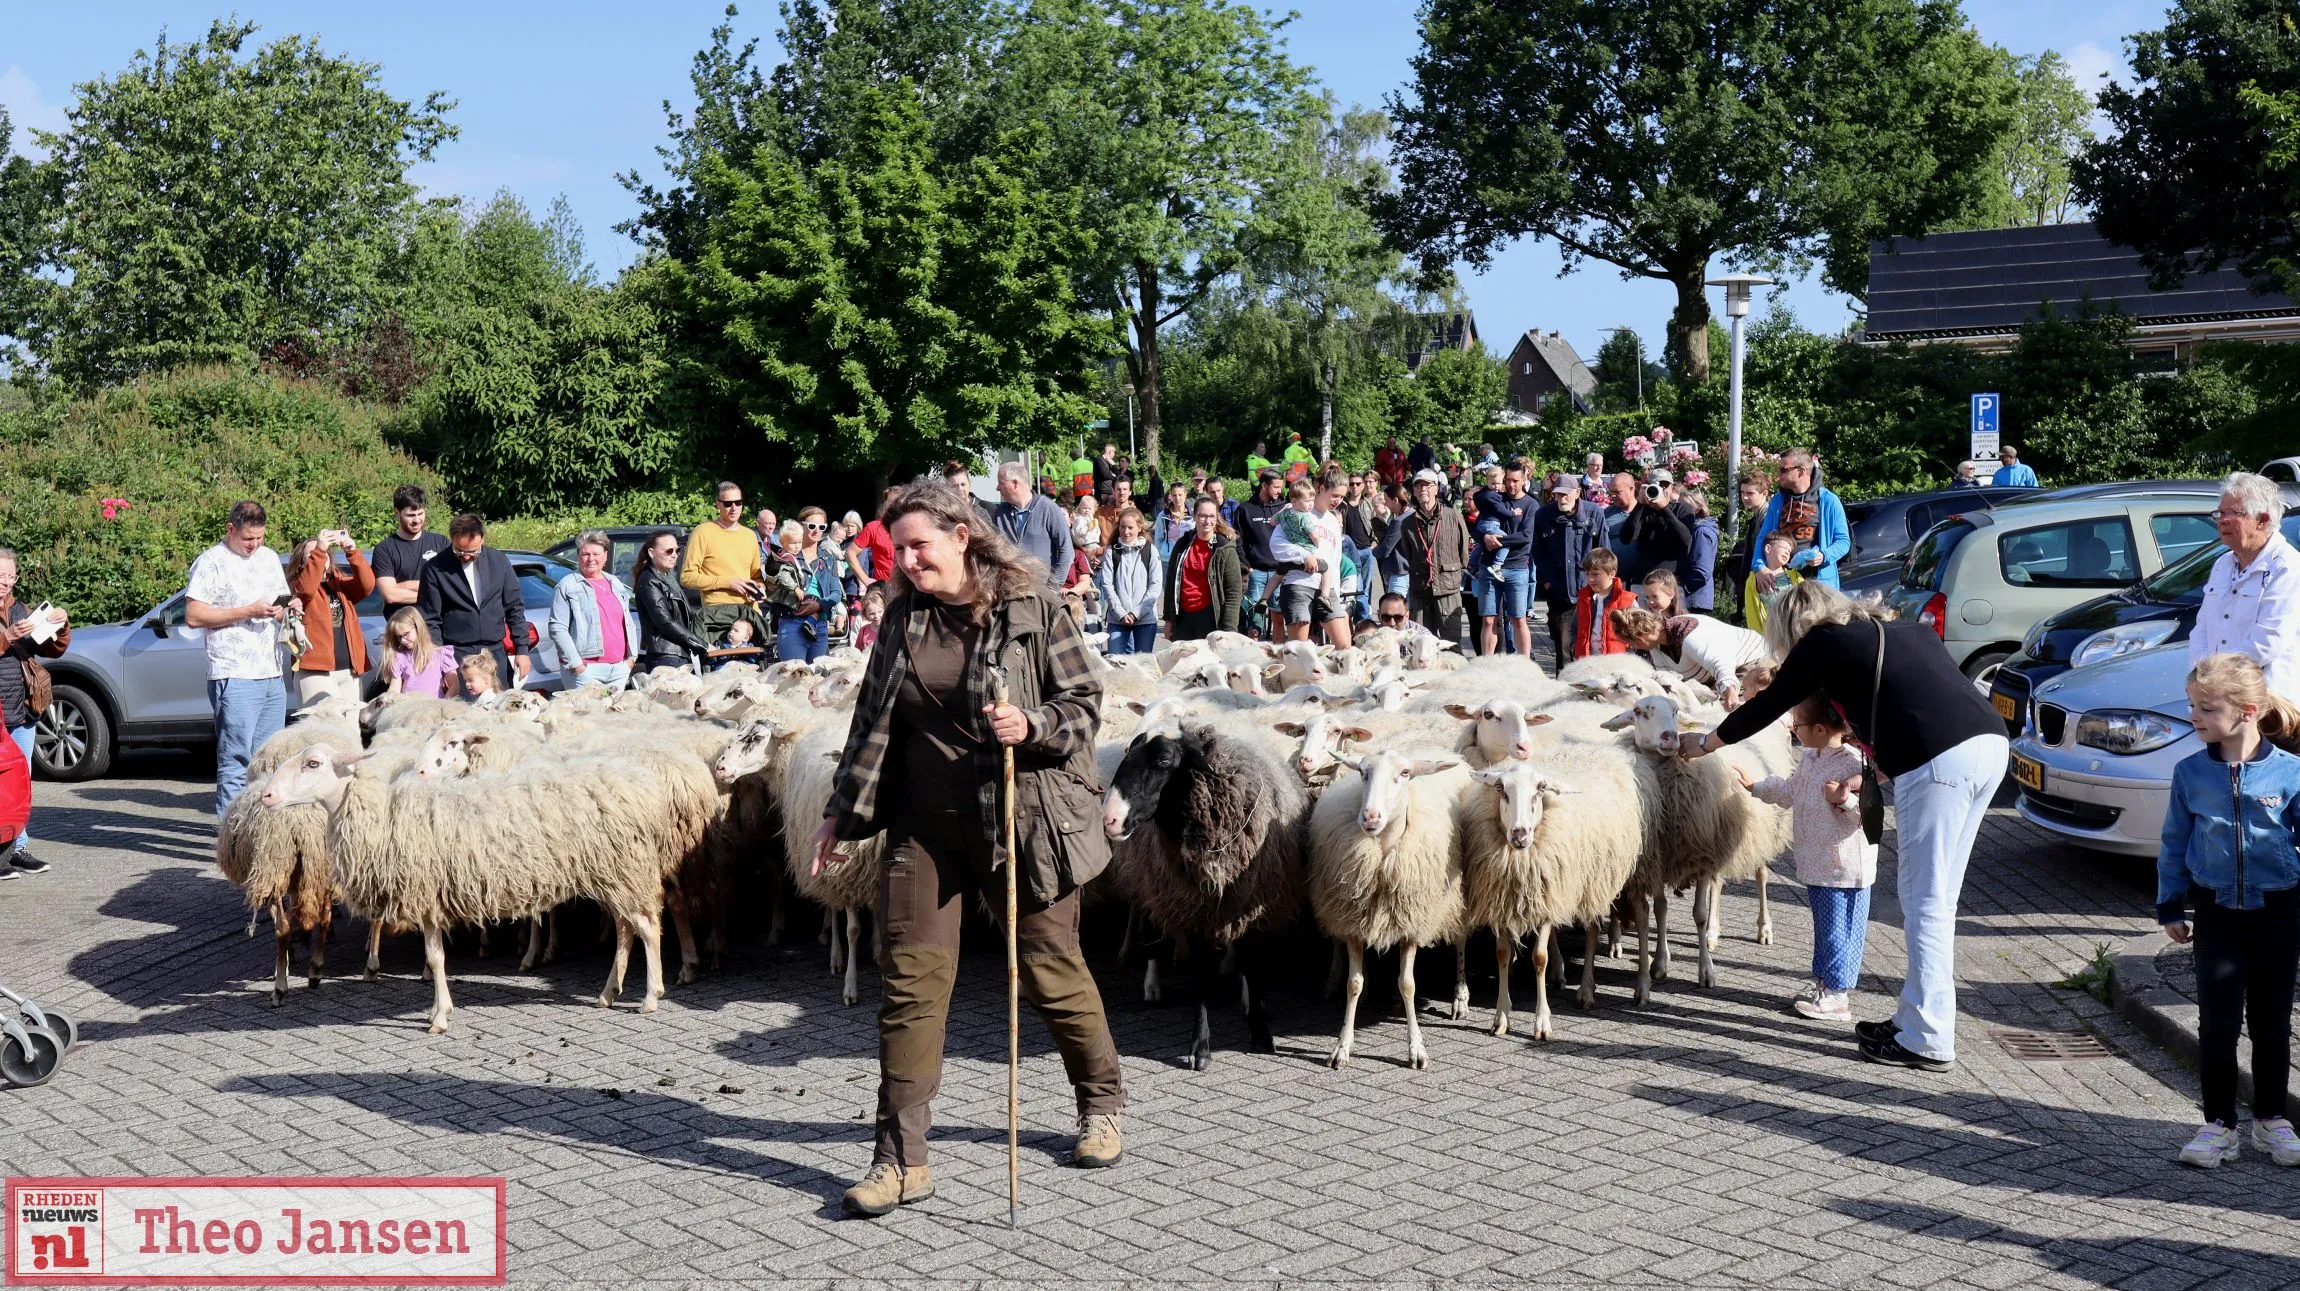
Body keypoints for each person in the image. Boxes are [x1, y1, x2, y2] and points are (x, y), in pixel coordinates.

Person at [810, 481, 1123, 1216]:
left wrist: (1035, 723)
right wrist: (837, 815)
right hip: (923, 828)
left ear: (961, 535)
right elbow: (870, 724)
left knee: (1050, 968)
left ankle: (1101, 1101)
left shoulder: (1032, 606)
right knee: (910, 986)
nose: (908, 560)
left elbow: (1085, 704)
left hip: (1020, 816)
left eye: (919, 545)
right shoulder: (903, 619)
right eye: (900, 550)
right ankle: (900, 1160)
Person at [1685, 580, 2005, 1072]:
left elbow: (1767, 705)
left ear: (1794, 624)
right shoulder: (1896, 629)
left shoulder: (1823, 642)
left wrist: (1705, 742)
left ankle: (1928, 1037)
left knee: (1924, 901)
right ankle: (1913, 1019)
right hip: (1988, 744)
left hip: (1937, 760)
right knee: (1937, 898)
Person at [2156, 653, 2300, 1168]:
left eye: (2206, 709)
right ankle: (2218, 1125)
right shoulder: (2190, 773)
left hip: (2278, 914)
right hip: (2216, 913)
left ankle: (2271, 1120)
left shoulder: (2290, 774)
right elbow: (2174, 841)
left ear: (2247, 711)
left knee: (2272, 1022)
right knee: (2217, 1024)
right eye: (2193, 705)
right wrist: (2171, 902)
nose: (2194, 717)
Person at [1736, 695, 1876, 1021]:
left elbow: (1868, 816)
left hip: (1843, 867)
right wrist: (1756, 786)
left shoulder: (1853, 764)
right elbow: (1790, 791)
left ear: (1818, 728)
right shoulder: (1811, 758)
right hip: (1818, 864)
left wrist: (1844, 800)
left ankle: (1838, 995)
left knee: (1839, 930)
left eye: (1796, 724)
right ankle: (1823, 983)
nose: (1793, 728)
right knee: (1826, 927)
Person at [184, 500, 291, 818]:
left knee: (270, 759)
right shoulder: (211, 562)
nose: (254, 545)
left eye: (259, 538)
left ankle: (261, 832)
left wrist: (284, 608)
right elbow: (193, 615)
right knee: (237, 759)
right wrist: (247, 611)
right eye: (247, 539)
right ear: (231, 530)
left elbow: (280, 601)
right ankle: (229, 839)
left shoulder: (269, 557)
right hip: (234, 671)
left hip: (271, 670)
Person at [2190, 472, 2300, 702]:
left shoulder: (2287, 566)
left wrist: (2219, 678)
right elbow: (2202, 628)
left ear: (2262, 520)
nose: (2222, 520)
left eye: (2234, 513)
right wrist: (2201, 675)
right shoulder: (2223, 564)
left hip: (2264, 701)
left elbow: (2267, 641)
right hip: (2218, 696)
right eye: (2221, 512)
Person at [0, 548, 68, 876]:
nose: (5, 582)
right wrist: (6, 638)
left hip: (23, 709)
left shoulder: (21, 610)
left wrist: (61, 625)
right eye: (0, 576)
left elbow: (53, 648)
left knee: (20, 782)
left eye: (10, 576)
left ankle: (18, 847)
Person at [418, 513, 529, 693]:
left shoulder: (499, 561)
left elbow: (514, 607)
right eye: (459, 551)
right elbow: (430, 620)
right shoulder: (434, 568)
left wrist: (522, 649)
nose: (466, 556)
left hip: (494, 653)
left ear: (482, 539)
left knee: (501, 713)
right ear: (452, 539)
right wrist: (443, 664)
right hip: (458, 655)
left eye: (472, 551)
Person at [287, 530, 376, 708]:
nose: (321, 556)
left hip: (349, 669)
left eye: (325, 553)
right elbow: (306, 590)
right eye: (313, 554)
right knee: (322, 730)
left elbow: (367, 585)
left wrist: (352, 552)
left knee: (350, 728)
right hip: (315, 670)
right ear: (302, 561)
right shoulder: (296, 585)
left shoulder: (339, 583)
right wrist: (319, 550)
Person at [1613, 606, 1766, 704]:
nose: (1631, 647)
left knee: (1738, 716)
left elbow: (1721, 664)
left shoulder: (1690, 635)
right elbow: (1669, 680)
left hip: (1753, 663)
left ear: (1640, 638)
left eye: (1631, 643)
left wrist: (1730, 691)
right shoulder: (1656, 647)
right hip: (1716, 677)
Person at [549, 530, 640, 692]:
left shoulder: (615, 583)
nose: (591, 559)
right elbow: (557, 628)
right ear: (578, 556)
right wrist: (576, 664)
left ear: (605, 556)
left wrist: (631, 659)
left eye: (596, 554)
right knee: (585, 717)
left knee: (615, 716)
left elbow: (627, 622)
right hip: (586, 670)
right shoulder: (567, 585)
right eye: (585, 554)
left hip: (619, 668)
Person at [682, 482, 770, 646]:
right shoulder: (703, 532)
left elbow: (756, 576)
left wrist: (760, 589)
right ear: (717, 504)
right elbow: (687, 577)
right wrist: (728, 583)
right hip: (716, 618)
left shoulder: (750, 535)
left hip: (748, 616)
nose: (734, 508)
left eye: (738, 503)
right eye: (728, 504)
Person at [1750, 448, 1851, 590]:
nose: (1778, 474)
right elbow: (1763, 538)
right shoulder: (1778, 501)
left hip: (1818, 584)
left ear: (1801, 471)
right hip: (1782, 580)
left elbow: (1843, 542)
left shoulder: (1829, 500)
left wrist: (1823, 556)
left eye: (1783, 470)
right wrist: (1759, 567)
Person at [1534, 474, 1607, 669]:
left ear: (1577, 493)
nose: (1562, 498)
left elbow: (1604, 552)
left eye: (1566, 494)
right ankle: (1564, 687)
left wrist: (1601, 585)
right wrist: (1547, 581)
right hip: (1560, 591)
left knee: (1592, 643)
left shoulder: (1594, 513)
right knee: (1563, 644)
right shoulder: (1543, 515)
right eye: (1558, 494)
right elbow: (1537, 551)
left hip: (1589, 590)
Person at [1272, 471, 1351, 647]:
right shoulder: (1294, 511)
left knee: (1345, 647)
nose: (1338, 501)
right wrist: (1304, 555)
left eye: (1342, 497)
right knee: (1299, 650)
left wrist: (1334, 593)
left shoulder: (1332, 521)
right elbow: (1276, 545)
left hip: (1325, 588)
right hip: (1298, 583)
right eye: (1335, 495)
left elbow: (1335, 562)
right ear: (1321, 488)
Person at [1393, 468, 1471, 644]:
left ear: (1437, 489)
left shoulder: (1453, 516)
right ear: (1413, 491)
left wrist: (1452, 574)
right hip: (1420, 590)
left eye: (1428, 485)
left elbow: (1463, 553)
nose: (1423, 489)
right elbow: (1409, 554)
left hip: (1448, 590)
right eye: (1418, 485)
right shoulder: (1407, 523)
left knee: (1451, 644)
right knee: (1420, 643)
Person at [1474, 463, 1536, 657]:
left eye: (1515, 481)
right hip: (1489, 567)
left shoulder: (1531, 504)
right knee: (1488, 620)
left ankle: (1524, 663)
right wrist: (1484, 538)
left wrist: (1497, 540)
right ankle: (1487, 662)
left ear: (1525, 479)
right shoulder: (1496, 498)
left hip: (1517, 568)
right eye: (1507, 480)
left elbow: (1526, 536)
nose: (1510, 485)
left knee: (1519, 619)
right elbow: (1476, 527)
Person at [1161, 498, 1242, 641]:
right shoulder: (1182, 544)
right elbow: (1171, 582)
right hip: (1183, 617)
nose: (1207, 521)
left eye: (1211, 516)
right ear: (1194, 516)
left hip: (1211, 617)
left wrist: (1229, 631)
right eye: (1202, 516)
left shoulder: (1224, 549)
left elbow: (1233, 593)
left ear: (1216, 517)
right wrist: (1168, 619)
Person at [775, 513, 848, 666]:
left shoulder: (828, 558)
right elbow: (775, 586)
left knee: (818, 681)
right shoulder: (787, 557)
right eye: (812, 526)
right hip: (792, 623)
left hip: (820, 625)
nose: (816, 531)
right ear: (801, 526)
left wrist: (820, 605)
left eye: (822, 527)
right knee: (793, 678)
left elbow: (836, 593)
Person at [634, 530, 711, 675]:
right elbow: (665, 622)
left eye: (677, 550)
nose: (674, 555)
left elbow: (686, 611)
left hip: (679, 654)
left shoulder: (667, 576)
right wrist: (702, 645)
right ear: (651, 553)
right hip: (664, 656)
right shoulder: (649, 580)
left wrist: (716, 616)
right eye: (668, 551)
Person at [990, 462, 1073, 585]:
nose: (997, 488)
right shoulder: (1000, 513)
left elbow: (1066, 550)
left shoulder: (1048, 509)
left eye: (1001, 483)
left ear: (1015, 483)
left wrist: (1052, 589)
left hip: (1041, 593)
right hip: (1010, 591)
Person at [1096, 506, 1163, 656]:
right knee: (1116, 664)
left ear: (1139, 528)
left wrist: (1136, 613)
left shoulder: (1150, 551)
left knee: (1143, 667)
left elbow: (1155, 585)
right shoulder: (1112, 551)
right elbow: (1107, 585)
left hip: (1145, 620)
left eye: (1130, 527)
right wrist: (1120, 612)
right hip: (1117, 619)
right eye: (1122, 527)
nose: (1126, 532)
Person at [370, 484, 449, 608]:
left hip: (436, 625)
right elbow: (390, 595)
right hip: (404, 624)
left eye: (420, 513)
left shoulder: (441, 543)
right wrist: (434, 590)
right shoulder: (384, 550)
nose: (417, 520)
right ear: (397, 513)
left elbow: (452, 584)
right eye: (411, 515)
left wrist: (403, 586)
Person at [1233, 468, 1290, 638]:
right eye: (1276, 487)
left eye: (1281, 487)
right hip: (1256, 571)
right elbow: (1238, 540)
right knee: (1254, 619)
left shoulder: (1285, 508)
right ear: (1264, 486)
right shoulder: (1245, 509)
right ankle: (1255, 657)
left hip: (1279, 572)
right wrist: (1248, 567)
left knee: (1278, 617)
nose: (1280, 491)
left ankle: (1278, 654)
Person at [1619, 468, 1692, 583]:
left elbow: (1685, 540)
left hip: (1671, 581)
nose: (1661, 489)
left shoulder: (1682, 508)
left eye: (1665, 486)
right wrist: (1639, 505)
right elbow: (1626, 538)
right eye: (1656, 485)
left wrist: (1664, 509)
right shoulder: (1643, 509)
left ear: (1672, 487)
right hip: (1644, 581)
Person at [1573, 548, 1637, 660]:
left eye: (1596, 574)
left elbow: (1637, 633)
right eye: (1587, 574)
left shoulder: (1627, 600)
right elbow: (1574, 629)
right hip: (1587, 662)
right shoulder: (1584, 599)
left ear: (1612, 573)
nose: (1590, 579)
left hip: (1617, 663)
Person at [380, 606, 457, 698]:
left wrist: (443, 705)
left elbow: (454, 686)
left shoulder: (442, 655)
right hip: (409, 708)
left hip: (435, 708)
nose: (403, 640)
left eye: (406, 634)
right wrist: (390, 697)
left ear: (418, 627)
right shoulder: (400, 657)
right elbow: (395, 688)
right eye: (399, 637)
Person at [1722, 468, 1776, 597]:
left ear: (1764, 494)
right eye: (1742, 492)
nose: (1745, 497)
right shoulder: (1757, 517)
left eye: (1750, 493)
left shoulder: (1767, 518)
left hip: (1765, 582)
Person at [1745, 533, 1803, 637]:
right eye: (1784, 547)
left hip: (1792, 634)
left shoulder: (1795, 577)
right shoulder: (1753, 580)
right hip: (1768, 635)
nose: (1787, 552)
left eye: (1789, 551)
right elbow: (1752, 611)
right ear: (1768, 548)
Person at [848, 487, 901, 593]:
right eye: (889, 502)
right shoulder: (874, 527)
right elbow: (850, 553)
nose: (893, 505)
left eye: (897, 501)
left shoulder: (911, 527)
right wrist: (865, 580)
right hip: (885, 589)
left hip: (911, 587)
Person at [1680, 489, 1720, 613]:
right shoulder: (1694, 528)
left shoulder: (1701, 531)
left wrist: (1681, 590)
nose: (1680, 509)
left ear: (1697, 508)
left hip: (1695, 599)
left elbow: (1702, 570)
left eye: (1684, 506)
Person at [1153, 482, 1193, 562]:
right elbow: (1158, 538)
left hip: (1187, 558)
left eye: (1180, 495)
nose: (1177, 498)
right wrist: (1162, 552)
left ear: (1185, 495)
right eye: (1174, 495)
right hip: (1167, 558)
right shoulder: (1163, 515)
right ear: (1171, 495)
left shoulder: (1194, 514)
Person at [855, 585, 887, 652]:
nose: (876, 616)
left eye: (880, 612)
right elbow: (857, 651)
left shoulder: (889, 629)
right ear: (865, 614)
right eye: (872, 613)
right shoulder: (863, 631)